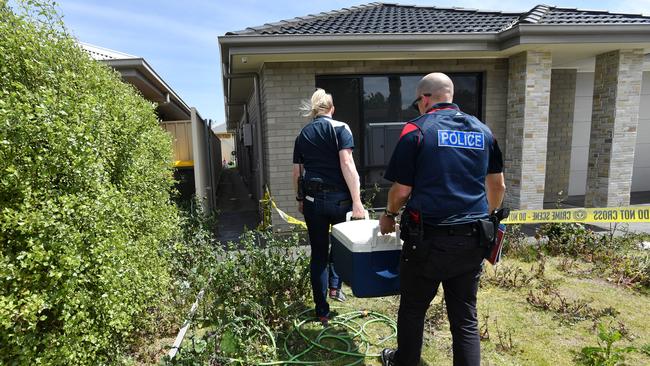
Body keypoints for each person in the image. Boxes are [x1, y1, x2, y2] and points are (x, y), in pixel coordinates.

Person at [378, 73, 506, 366]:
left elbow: (401, 191)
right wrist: (486, 219)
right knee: (464, 316)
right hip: (472, 237)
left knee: (413, 308)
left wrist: (389, 215)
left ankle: (405, 362)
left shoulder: (415, 130)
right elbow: (498, 187)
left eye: (417, 102)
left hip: (427, 240)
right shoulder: (484, 132)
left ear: (424, 99)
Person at [293, 88, 365, 326]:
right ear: (331, 109)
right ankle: (336, 288)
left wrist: (300, 199)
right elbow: (347, 163)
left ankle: (321, 311)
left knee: (319, 255)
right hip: (340, 201)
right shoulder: (341, 128)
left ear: (315, 110)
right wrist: (357, 201)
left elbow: (297, 172)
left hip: (313, 201)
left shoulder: (303, 134)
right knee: (341, 247)